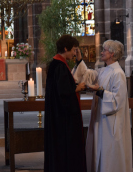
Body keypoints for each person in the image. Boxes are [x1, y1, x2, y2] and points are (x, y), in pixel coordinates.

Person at [72, 40, 132, 172]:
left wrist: (100, 91)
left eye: (104, 50)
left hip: (110, 122)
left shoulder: (118, 73)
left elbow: (118, 100)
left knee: (109, 153)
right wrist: (79, 59)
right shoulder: (105, 70)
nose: (102, 52)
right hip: (101, 119)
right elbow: (88, 75)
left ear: (112, 54)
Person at [44, 34, 87, 172]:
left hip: (57, 116)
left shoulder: (56, 64)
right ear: (65, 48)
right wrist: (77, 88)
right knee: (66, 150)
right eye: (74, 49)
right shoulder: (60, 66)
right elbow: (64, 92)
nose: (75, 53)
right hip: (63, 119)